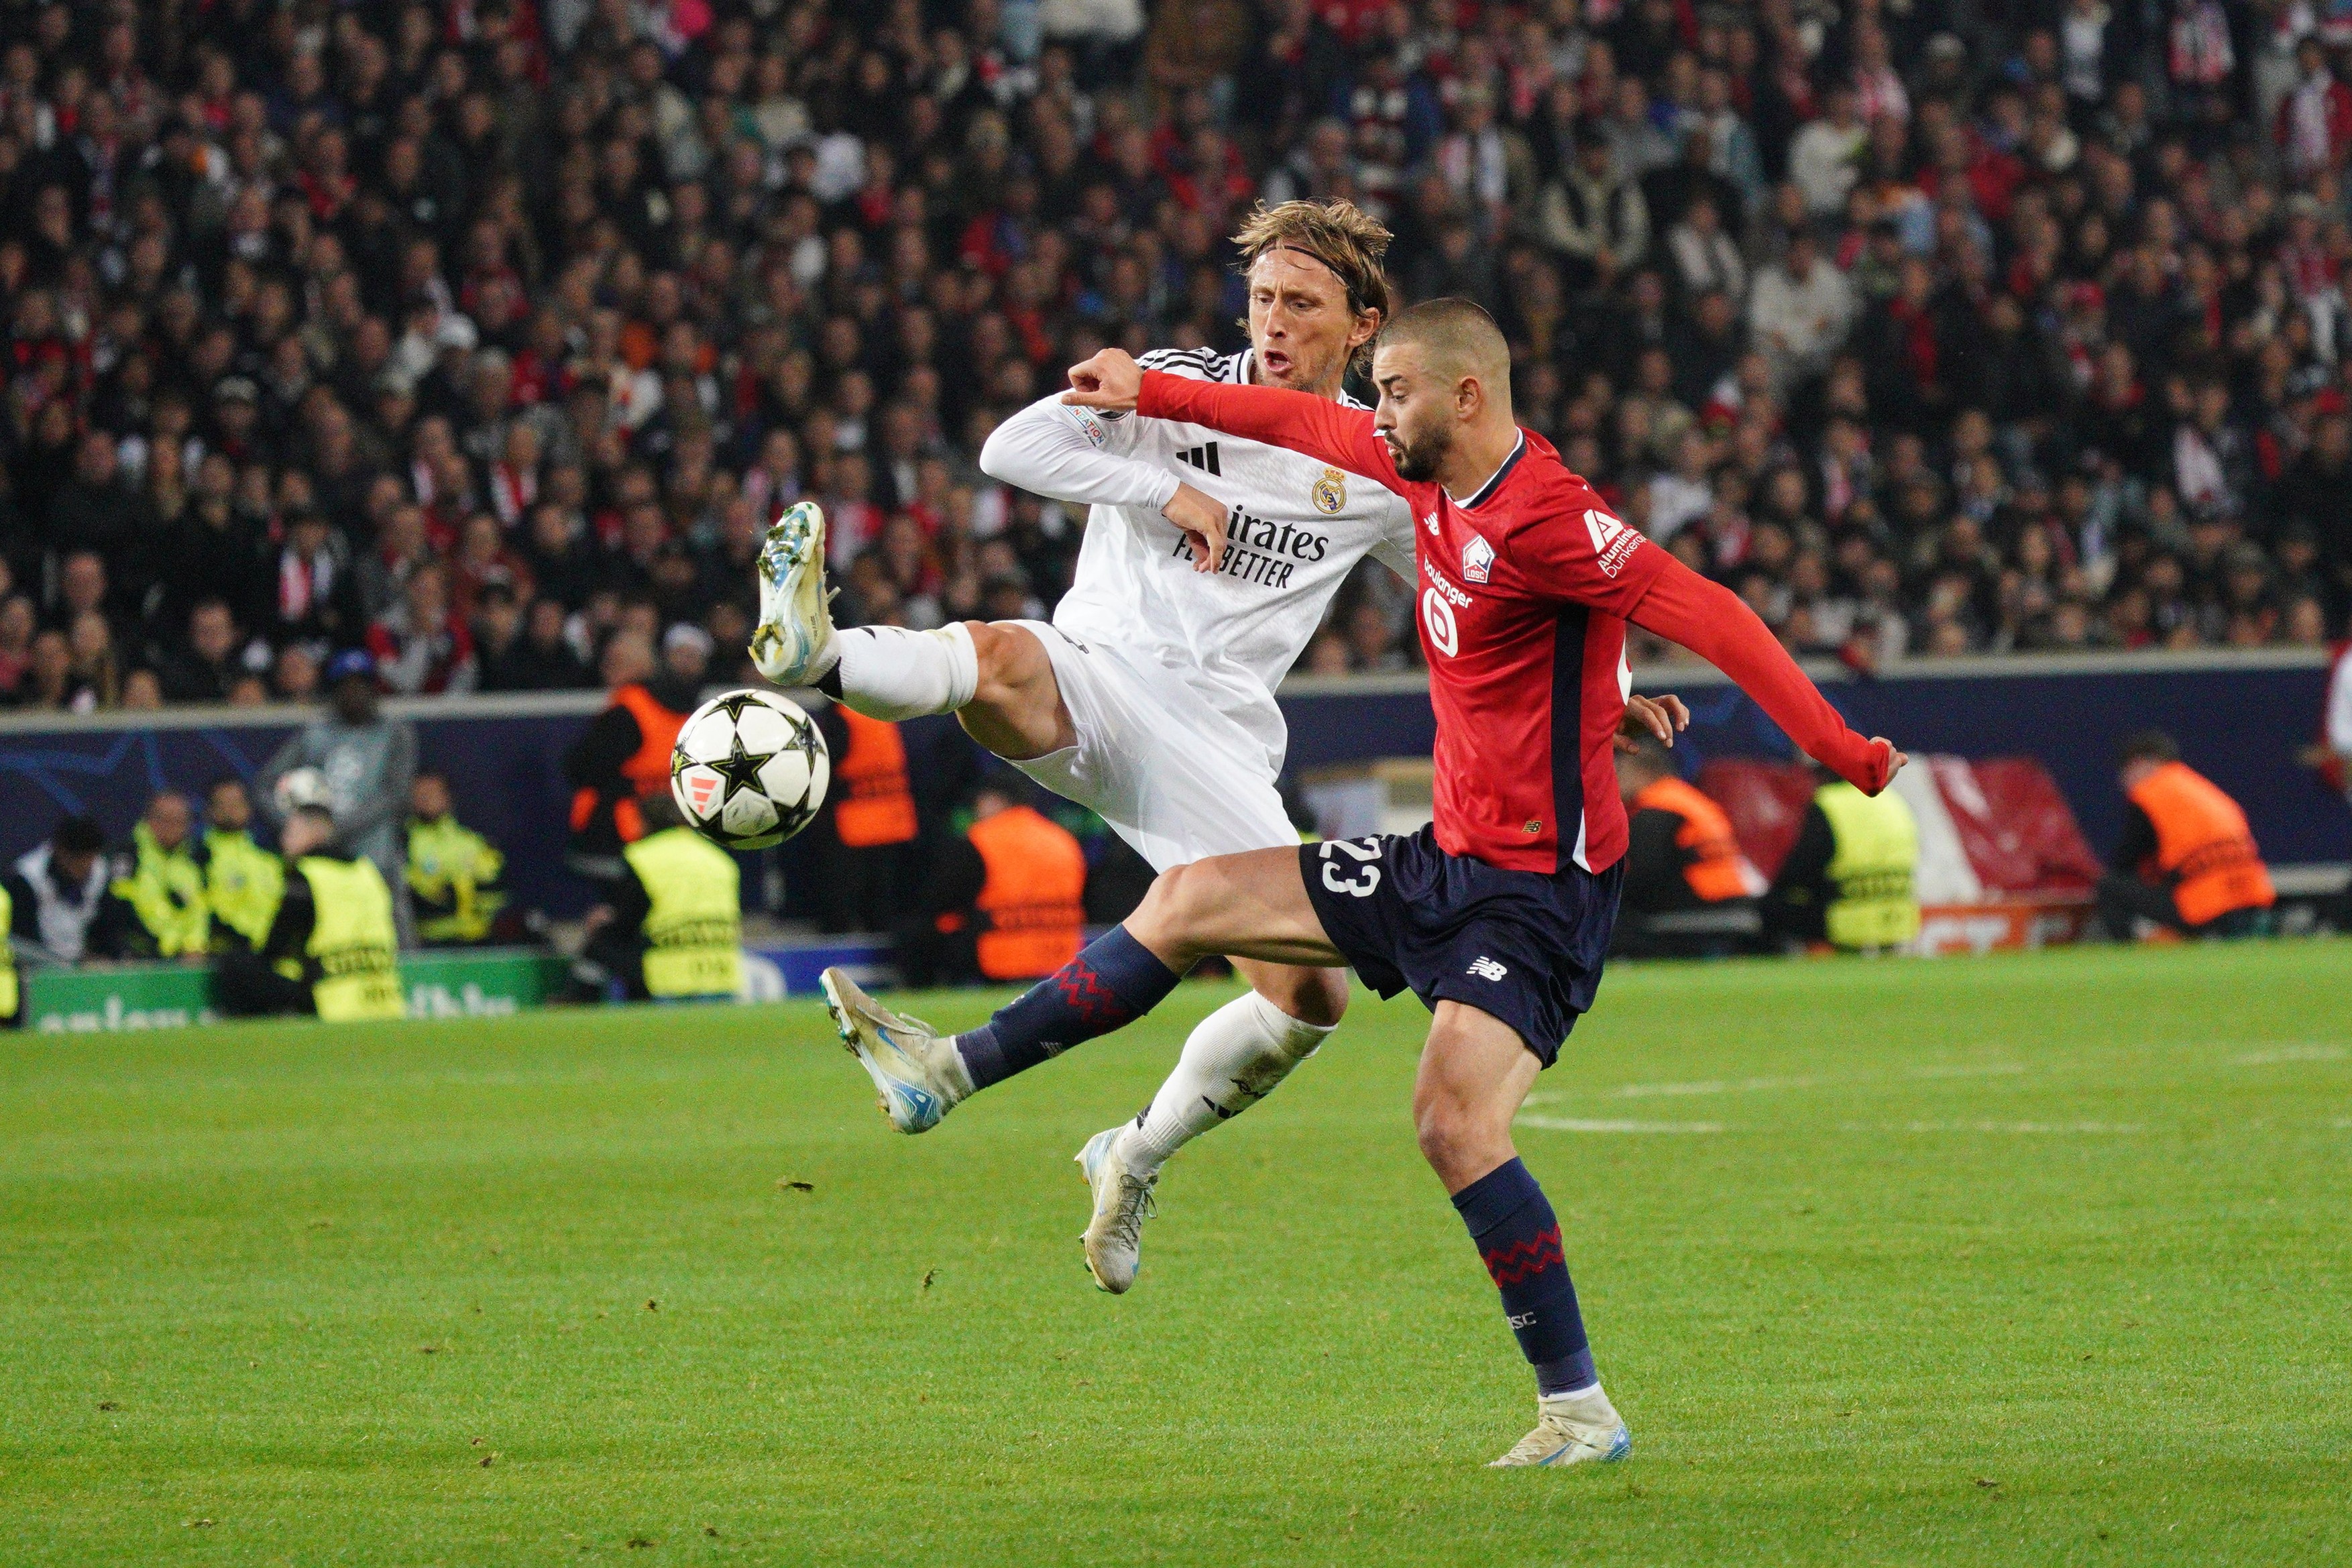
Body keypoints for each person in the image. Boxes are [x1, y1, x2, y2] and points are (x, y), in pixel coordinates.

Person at [817, 304, 1904, 1467]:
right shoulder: (1410, 469)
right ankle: (946, 1070)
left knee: (1451, 1124)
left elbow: (1717, 614)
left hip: (1536, 893)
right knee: (1185, 902)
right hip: (1440, 862)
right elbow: (1274, 412)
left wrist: (1842, 748)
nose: (1373, 415)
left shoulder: (1552, 518)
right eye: (1374, 394)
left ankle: (1577, 1410)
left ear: (1466, 397)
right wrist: (1145, 387)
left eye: (1393, 392)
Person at [759, 201, 1528, 1278]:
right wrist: (1158, 485)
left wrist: (1601, 680)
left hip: (1211, 745)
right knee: (997, 657)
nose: (1271, 322)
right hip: (1094, 670)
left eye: (1301, 304)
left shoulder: (1376, 465)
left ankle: (1131, 1150)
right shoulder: (1176, 383)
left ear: (1363, 326)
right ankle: (819, 658)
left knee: (1309, 999)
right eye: (1261, 297)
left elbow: (1477, 582)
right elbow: (1009, 444)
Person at [259, 649, 418, 942]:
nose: (355, 693)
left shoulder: (395, 734)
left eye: (362, 684)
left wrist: (333, 830)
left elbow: (394, 795)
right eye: (347, 685)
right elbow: (265, 786)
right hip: (322, 864)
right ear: (334, 691)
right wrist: (293, 829)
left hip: (375, 859)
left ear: (374, 689)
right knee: (327, 936)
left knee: (394, 932)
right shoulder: (315, 734)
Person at [215, 803, 407, 1021]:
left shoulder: (308, 876)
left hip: (330, 998)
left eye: (291, 833)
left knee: (237, 966)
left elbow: (277, 944)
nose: (284, 841)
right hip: (383, 996)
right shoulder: (368, 871)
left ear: (315, 834)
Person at [897, 776, 1088, 987]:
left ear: (995, 801)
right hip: (1061, 954)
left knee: (918, 930)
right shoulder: (1062, 839)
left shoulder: (981, 840)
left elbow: (941, 900)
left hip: (999, 954)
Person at [2096, 730, 2275, 940]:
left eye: (2125, 773)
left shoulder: (2150, 794)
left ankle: (2128, 958)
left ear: (2141, 763)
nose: (2124, 783)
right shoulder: (2203, 789)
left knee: (2110, 886)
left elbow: (2125, 862)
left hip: (2205, 905)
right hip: (2252, 896)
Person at [571, 793, 742, 1002]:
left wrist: (604, 922)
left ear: (643, 822)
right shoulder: (720, 859)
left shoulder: (641, 857)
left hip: (667, 977)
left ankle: (578, 1003)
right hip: (722, 976)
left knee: (601, 946)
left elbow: (629, 920)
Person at [562, 628, 698, 881]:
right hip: (678, 830)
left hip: (620, 833)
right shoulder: (688, 707)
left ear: (639, 665)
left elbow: (581, 767)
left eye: (614, 662)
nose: (606, 669)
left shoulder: (629, 709)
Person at [1611, 736, 1765, 958]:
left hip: (1696, 905)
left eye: (1620, 772)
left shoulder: (1657, 809)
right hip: (1732, 899)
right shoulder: (1687, 799)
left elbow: (1646, 873)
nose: (1615, 781)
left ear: (1641, 771)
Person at [1762, 761, 1922, 952]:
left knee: (1770, 908)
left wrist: (1775, 892)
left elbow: (1801, 868)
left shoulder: (1830, 802)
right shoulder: (1892, 799)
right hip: (1899, 918)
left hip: (1847, 919)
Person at [811, 699, 921, 934]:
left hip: (853, 823)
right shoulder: (884, 712)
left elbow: (822, 768)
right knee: (883, 908)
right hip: (893, 819)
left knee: (840, 904)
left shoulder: (839, 719)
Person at [5, 816, 132, 964]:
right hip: (37, 966)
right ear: (61, 853)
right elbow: (22, 940)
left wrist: (108, 957)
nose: (84, 868)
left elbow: (108, 928)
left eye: (89, 860)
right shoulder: (28, 878)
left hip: (83, 966)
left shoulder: (100, 871)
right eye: (77, 862)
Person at [404, 771, 508, 946]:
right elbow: (411, 893)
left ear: (447, 797)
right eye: (420, 795)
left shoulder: (472, 841)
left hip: (479, 941)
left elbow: (495, 888)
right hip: (431, 943)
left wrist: (458, 891)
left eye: (433, 794)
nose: (426, 800)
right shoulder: (403, 843)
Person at [106, 791, 211, 959]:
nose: (172, 827)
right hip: (139, 956)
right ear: (149, 820)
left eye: (179, 821)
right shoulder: (128, 855)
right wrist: (154, 946)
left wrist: (194, 946)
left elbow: (200, 912)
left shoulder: (196, 859)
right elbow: (118, 909)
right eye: (164, 819)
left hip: (186, 958)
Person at [200, 777, 284, 954]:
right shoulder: (200, 858)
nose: (230, 811)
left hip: (274, 956)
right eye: (222, 804)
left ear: (248, 809)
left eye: (236, 804)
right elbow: (201, 915)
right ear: (209, 811)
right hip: (229, 958)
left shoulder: (269, 858)